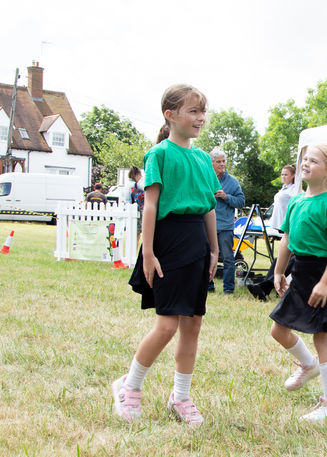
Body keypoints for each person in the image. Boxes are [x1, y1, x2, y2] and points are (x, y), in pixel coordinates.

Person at [112, 85, 220, 427]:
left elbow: (208, 208)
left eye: (203, 111)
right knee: (167, 324)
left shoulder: (203, 159)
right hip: (168, 241)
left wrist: (215, 248)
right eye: (193, 111)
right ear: (170, 116)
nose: (200, 118)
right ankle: (129, 387)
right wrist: (147, 252)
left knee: (193, 324)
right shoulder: (158, 154)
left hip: (197, 244)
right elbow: (152, 205)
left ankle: (181, 396)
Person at [269, 141, 327, 424]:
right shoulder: (295, 201)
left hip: (321, 275)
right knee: (278, 330)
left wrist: (325, 283)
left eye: (314, 161)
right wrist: (279, 272)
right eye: (305, 159)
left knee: (322, 337)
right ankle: (307, 364)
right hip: (300, 273)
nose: (305, 163)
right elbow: (287, 239)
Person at [244, 164, 297, 302]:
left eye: (286, 174)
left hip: (296, 230)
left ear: (293, 175)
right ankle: (264, 287)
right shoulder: (285, 189)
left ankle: (265, 286)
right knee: (278, 260)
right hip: (285, 229)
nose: (283, 177)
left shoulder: (296, 191)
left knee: (291, 261)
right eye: (282, 174)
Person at [208, 148, 246, 294]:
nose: (222, 164)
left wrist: (226, 197)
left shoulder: (232, 181)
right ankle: (208, 287)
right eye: (219, 162)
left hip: (225, 226)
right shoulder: (206, 178)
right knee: (206, 257)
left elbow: (241, 202)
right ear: (211, 163)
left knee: (229, 259)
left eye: (224, 161)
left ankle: (228, 289)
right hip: (207, 225)